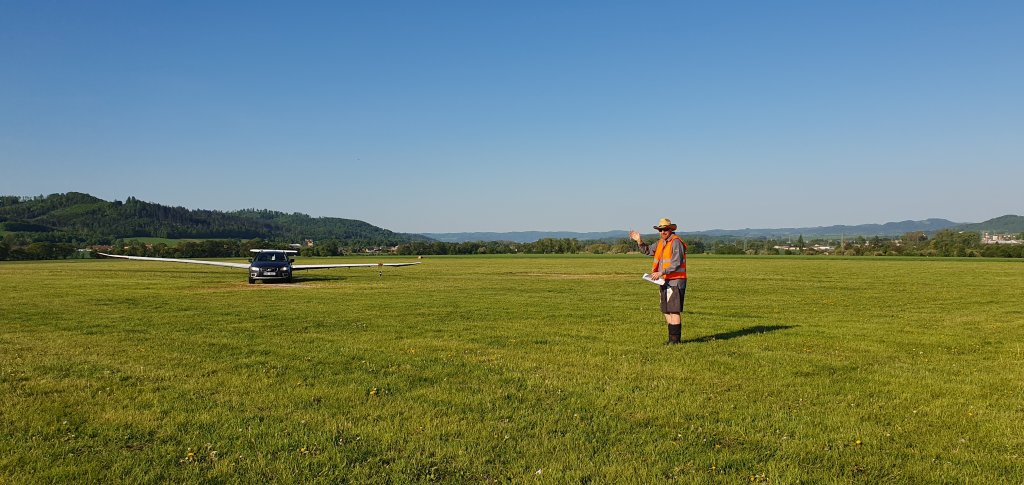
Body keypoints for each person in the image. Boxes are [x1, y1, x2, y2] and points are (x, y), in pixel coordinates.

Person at [630, 218, 688, 344]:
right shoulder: (660, 243)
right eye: (660, 230)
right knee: (666, 310)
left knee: (674, 310)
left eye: (665, 229)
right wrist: (639, 241)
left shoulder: (676, 242)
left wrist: (661, 272)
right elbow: (647, 250)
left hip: (676, 280)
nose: (663, 232)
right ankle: (672, 339)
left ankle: (675, 341)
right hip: (663, 281)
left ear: (671, 229)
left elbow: (677, 263)